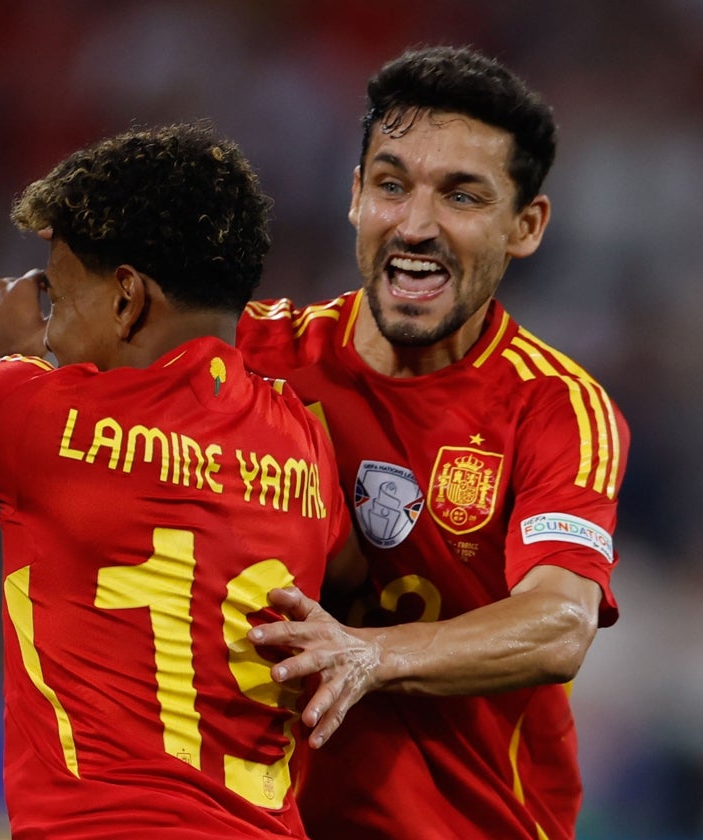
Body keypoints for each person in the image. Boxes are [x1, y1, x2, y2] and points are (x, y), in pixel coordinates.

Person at [0, 123, 351, 839]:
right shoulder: (307, 446)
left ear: (126, 298)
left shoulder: (37, 411)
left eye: (60, 300)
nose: (47, 336)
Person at [238, 46, 631, 839]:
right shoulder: (253, 357)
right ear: (354, 196)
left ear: (526, 226)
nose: (415, 225)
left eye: (461, 195)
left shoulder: (555, 407)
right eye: (391, 184)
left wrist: (369, 655)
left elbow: (559, 623)